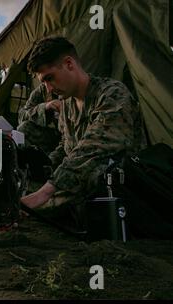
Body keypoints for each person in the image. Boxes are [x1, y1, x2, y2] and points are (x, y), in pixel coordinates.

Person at [20, 37, 145, 221]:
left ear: (69, 64)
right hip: (79, 174)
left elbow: (92, 150)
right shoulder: (68, 102)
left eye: (49, 78)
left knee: (94, 176)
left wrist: (45, 192)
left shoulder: (112, 94)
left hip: (119, 179)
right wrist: (46, 165)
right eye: (43, 82)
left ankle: (46, 207)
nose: (48, 89)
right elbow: (67, 146)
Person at [17, 83, 61, 154]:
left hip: (68, 138)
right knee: (23, 128)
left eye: (50, 78)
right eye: (45, 81)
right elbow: (22, 116)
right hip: (52, 136)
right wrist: (44, 107)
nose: (49, 88)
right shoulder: (43, 90)